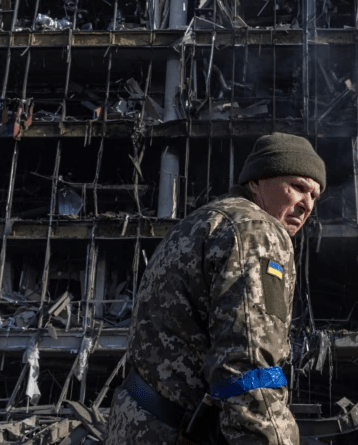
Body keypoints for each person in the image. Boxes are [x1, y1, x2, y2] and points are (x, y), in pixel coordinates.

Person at [106, 133, 326, 445]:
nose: (307, 205)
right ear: (256, 181)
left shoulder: (200, 222)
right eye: (299, 187)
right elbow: (249, 361)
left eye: (315, 196)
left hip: (138, 425)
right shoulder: (257, 230)